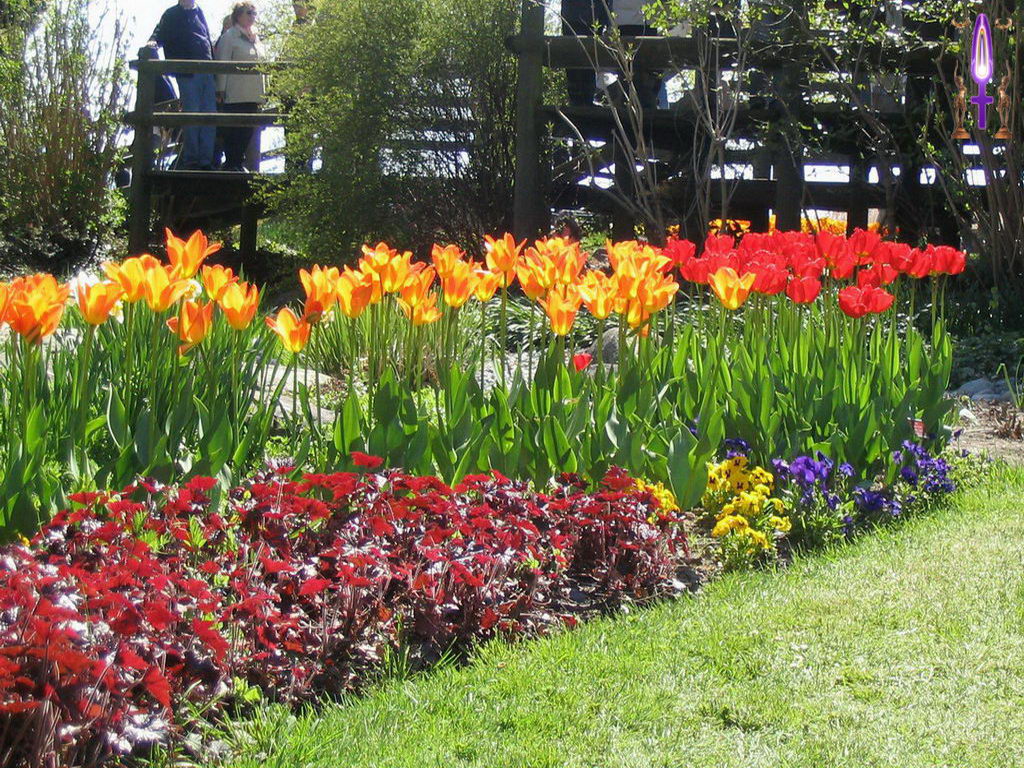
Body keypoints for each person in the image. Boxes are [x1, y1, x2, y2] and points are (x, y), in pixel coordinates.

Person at [148, 0, 217, 170]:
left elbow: (206, 37)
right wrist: (152, 42)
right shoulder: (172, 14)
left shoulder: (199, 11)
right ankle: (192, 159)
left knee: (209, 115)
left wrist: (214, 69)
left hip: (207, 71)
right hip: (187, 72)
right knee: (192, 114)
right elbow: (159, 32)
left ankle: (206, 160)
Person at [215, 2, 266, 172]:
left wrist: (264, 93)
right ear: (238, 15)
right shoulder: (230, 36)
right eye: (249, 12)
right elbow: (222, 63)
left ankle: (238, 163)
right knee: (234, 129)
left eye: (254, 13)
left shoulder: (256, 38)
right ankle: (231, 163)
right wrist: (220, 90)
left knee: (247, 130)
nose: (253, 16)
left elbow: (263, 66)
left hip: (253, 93)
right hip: (235, 92)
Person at [562, 0, 608, 106]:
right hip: (576, 15)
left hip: (590, 14)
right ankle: (578, 97)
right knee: (575, 53)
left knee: (589, 54)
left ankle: (585, 96)